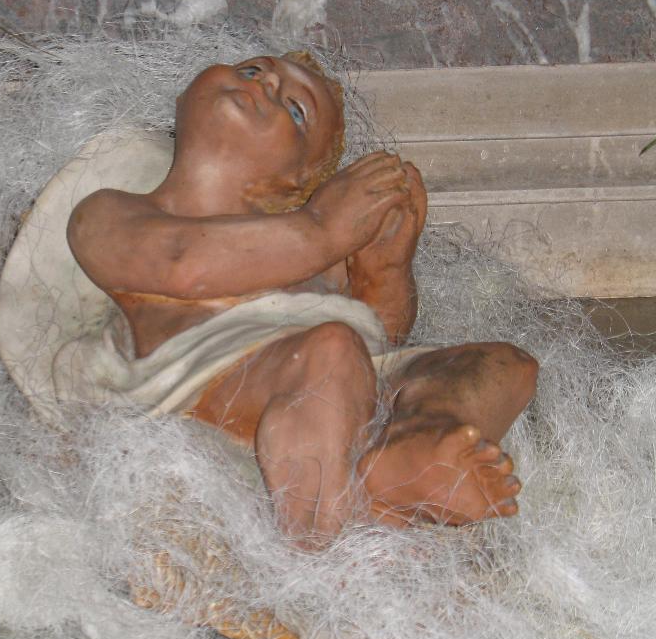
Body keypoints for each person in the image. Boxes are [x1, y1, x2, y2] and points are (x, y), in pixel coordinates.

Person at [67, 51, 537, 549]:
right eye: (251, 70)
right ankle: (321, 537)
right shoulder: (110, 213)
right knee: (330, 353)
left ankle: (414, 443)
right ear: (183, 100)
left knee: (505, 365)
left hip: (333, 388)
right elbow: (183, 262)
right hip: (210, 388)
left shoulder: (315, 258)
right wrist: (323, 230)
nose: (266, 82)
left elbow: (378, 335)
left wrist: (383, 270)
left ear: (300, 181)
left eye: (296, 110)